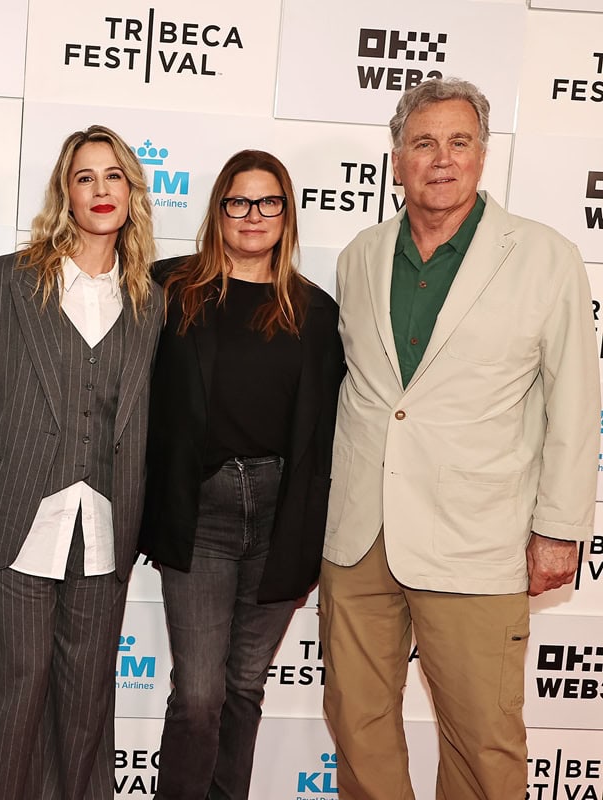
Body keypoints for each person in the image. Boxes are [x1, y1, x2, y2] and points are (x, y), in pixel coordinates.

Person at [320, 77, 598, 799]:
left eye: (458, 142)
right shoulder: (361, 255)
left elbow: (574, 403)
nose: (440, 159)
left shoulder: (546, 256)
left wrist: (561, 528)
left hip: (479, 539)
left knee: (482, 739)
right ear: (396, 159)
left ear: (481, 156)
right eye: (423, 143)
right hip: (360, 536)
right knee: (358, 723)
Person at [0, 125, 163, 800]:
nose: (101, 190)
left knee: (86, 712)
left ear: (131, 191)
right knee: (9, 707)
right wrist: (25, 402)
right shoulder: (11, 279)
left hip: (106, 522)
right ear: (65, 193)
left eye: (113, 176)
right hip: (18, 512)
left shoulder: (153, 299)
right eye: (85, 177)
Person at [138, 150, 343, 800]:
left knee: (243, 689)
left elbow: (326, 436)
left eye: (268, 202)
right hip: (199, 513)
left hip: (282, 520)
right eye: (238, 202)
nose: (253, 216)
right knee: (198, 694)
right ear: (218, 211)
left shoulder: (315, 314)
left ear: (286, 214)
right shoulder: (168, 289)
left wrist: (312, 542)